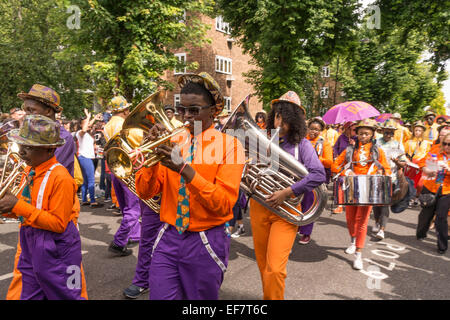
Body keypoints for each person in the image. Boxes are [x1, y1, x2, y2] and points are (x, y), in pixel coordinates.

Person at [135, 72, 244, 300]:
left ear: (214, 110)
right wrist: (150, 157)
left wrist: (185, 169)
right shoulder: (174, 140)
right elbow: (145, 192)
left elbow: (224, 205)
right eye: (182, 109)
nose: (185, 117)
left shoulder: (230, 145)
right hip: (168, 236)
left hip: (206, 240)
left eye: (194, 110)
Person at [6, 84, 87, 300]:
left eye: (32, 111)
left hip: (54, 221)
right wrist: (10, 207)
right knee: (27, 285)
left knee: (66, 290)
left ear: (49, 111)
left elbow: (46, 177)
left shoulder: (60, 144)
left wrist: (16, 203)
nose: (26, 115)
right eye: (26, 110)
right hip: (32, 226)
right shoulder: (34, 152)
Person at [248, 91, 325, 300]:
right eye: (277, 116)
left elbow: (319, 174)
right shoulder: (261, 140)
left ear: (295, 121)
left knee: (275, 270)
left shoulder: (303, 145)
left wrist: (287, 191)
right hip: (259, 207)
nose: (279, 122)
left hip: (286, 211)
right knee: (264, 266)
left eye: (285, 118)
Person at [332, 118, 391, 270]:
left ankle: (359, 254)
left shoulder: (378, 151)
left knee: (362, 221)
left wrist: (377, 172)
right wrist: (347, 171)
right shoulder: (350, 149)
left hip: (369, 188)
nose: (363, 136)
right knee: (350, 218)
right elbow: (335, 165)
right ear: (356, 134)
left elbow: (386, 169)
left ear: (372, 135)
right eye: (360, 133)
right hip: (351, 187)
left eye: (366, 134)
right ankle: (352, 241)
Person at [103, 95, 143, 256]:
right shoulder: (124, 124)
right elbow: (139, 140)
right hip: (127, 169)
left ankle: (134, 234)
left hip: (115, 168)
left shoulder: (107, 126)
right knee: (134, 209)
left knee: (126, 206)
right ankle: (119, 242)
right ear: (125, 110)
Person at [298, 116, 332, 245]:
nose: (313, 131)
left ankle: (306, 233)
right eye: (311, 128)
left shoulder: (325, 143)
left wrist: (315, 158)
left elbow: (329, 163)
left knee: (309, 205)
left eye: (317, 129)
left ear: (321, 131)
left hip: (313, 179)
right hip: (299, 176)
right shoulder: (302, 141)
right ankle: (296, 226)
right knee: (296, 203)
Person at [416, 133, 450, 254]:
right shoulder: (435, 150)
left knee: (441, 217)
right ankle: (421, 233)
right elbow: (422, 162)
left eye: (449, 145)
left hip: (447, 189)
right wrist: (425, 169)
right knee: (426, 214)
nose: (446, 147)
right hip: (431, 186)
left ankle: (442, 245)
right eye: (444, 143)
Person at [373, 119, 407, 240]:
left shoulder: (398, 144)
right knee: (376, 203)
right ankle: (377, 221)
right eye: (387, 132)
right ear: (382, 131)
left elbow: (404, 163)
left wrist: (397, 161)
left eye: (391, 133)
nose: (388, 135)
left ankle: (382, 230)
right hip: (376, 176)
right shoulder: (376, 142)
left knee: (385, 203)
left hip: (390, 177)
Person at [76, 109, 103, 207]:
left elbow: (88, 126)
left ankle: (84, 199)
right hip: (85, 157)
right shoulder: (80, 133)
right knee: (91, 179)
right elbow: (84, 128)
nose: (88, 125)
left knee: (86, 180)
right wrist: (88, 117)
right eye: (85, 123)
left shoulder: (86, 133)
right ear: (80, 125)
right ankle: (92, 200)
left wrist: (93, 118)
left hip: (84, 158)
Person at [332, 121, 357, 214]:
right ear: (347, 129)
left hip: (353, 165)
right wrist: (336, 156)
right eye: (353, 129)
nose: (355, 131)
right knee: (340, 183)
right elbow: (335, 148)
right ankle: (339, 205)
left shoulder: (357, 139)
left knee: (352, 184)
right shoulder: (341, 137)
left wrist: (354, 145)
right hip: (342, 164)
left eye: (356, 129)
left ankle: (352, 203)